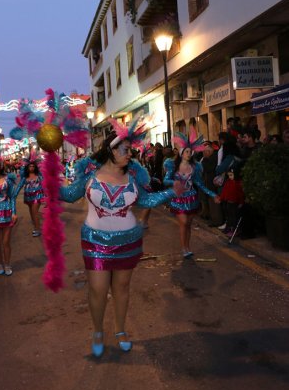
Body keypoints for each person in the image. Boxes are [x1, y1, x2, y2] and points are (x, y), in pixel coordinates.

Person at [59, 126, 183, 358]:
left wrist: (171, 193)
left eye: (131, 151)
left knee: (122, 288)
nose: (130, 155)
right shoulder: (88, 175)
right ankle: (97, 331)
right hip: (95, 242)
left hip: (128, 241)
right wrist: (48, 182)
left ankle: (120, 330)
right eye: (126, 150)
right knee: (97, 289)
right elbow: (68, 195)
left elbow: (145, 201)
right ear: (111, 149)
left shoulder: (134, 176)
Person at [164, 129, 220, 258]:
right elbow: (166, 180)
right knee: (183, 223)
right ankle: (184, 248)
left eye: (190, 152)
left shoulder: (194, 168)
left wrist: (213, 195)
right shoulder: (172, 166)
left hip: (191, 199)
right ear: (182, 153)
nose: (189, 154)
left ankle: (187, 247)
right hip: (178, 199)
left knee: (188, 224)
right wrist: (175, 183)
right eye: (187, 151)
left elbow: (200, 184)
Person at [19, 159, 44, 237]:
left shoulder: (39, 176)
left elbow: (45, 185)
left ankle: (37, 229)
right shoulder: (24, 177)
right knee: (31, 212)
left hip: (37, 196)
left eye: (33, 166)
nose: (32, 168)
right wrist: (13, 195)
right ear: (27, 167)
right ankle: (35, 224)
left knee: (35, 212)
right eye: (30, 166)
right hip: (28, 197)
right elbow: (19, 186)